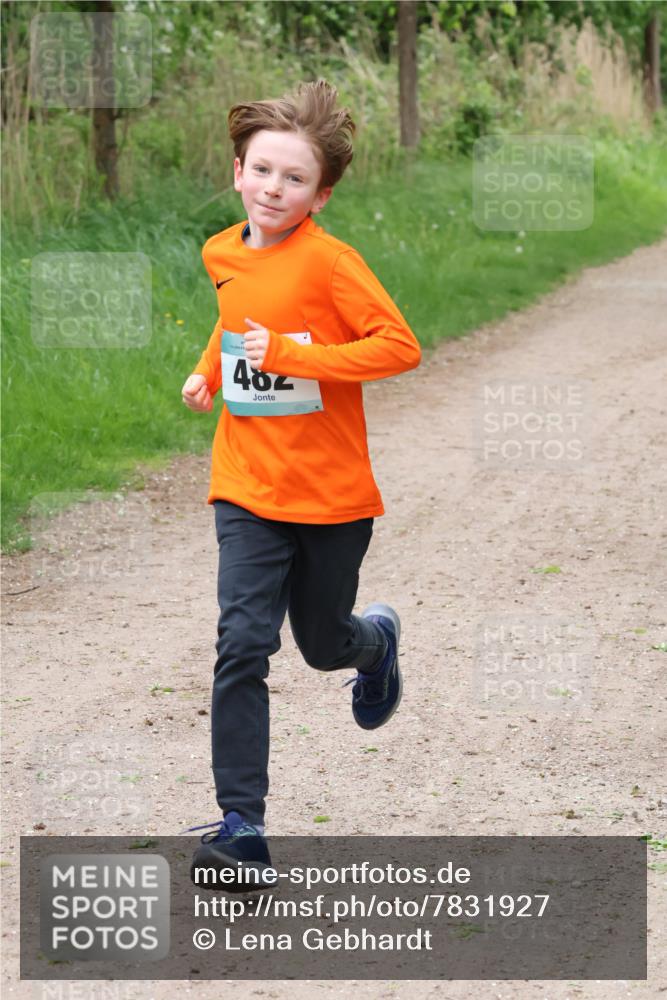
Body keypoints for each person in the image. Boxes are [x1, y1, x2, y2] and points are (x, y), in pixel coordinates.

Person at [181, 78, 421, 888]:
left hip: (330, 496)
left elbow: (397, 347)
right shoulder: (220, 251)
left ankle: (372, 643)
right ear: (238, 169)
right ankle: (240, 825)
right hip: (245, 483)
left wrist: (295, 355)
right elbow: (234, 318)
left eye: (294, 179)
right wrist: (209, 367)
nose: (273, 189)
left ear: (321, 193)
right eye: (261, 171)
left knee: (321, 645)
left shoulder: (331, 262)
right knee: (242, 642)